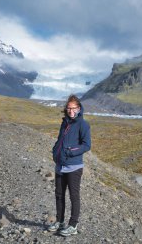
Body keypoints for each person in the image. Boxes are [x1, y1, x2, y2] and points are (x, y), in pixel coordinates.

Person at [48, 94, 91, 236]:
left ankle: (73, 225)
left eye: (74, 108)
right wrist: (56, 151)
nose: (71, 111)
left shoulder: (83, 124)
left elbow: (86, 145)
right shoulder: (64, 123)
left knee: (74, 196)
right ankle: (60, 222)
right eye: (69, 108)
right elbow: (60, 140)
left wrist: (71, 152)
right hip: (60, 165)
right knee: (59, 195)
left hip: (74, 166)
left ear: (79, 108)